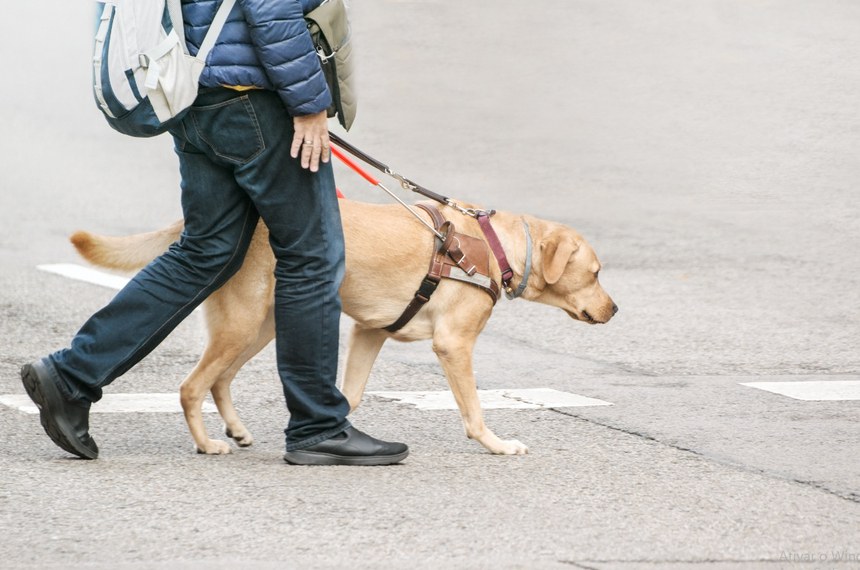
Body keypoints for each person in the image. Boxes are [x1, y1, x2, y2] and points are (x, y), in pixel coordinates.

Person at [20, 0, 408, 466]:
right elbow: (272, 12)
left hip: (193, 96)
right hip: (255, 99)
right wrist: (309, 106)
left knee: (205, 252)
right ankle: (318, 426)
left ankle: (71, 374)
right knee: (312, 256)